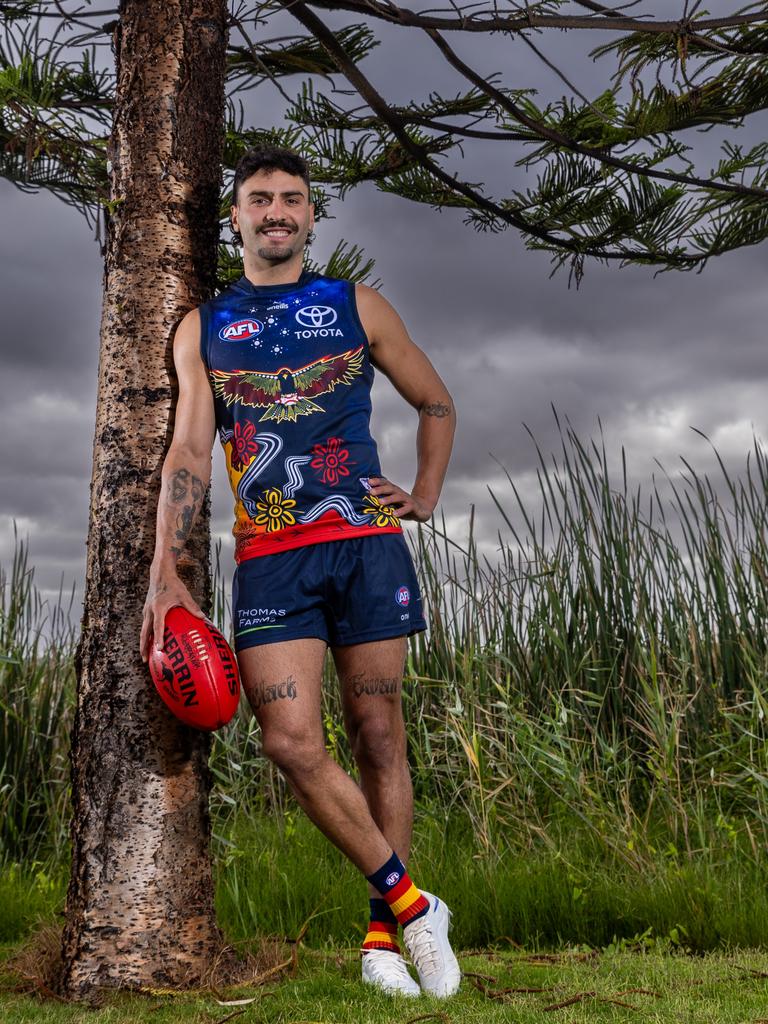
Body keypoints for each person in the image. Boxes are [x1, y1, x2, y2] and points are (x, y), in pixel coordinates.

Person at [140, 145, 459, 998]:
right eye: (258, 199)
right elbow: (190, 451)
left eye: (291, 199)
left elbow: (436, 401)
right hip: (270, 555)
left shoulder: (356, 305)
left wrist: (424, 494)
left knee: (378, 736)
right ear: (235, 216)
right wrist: (168, 572)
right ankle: (416, 903)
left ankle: (383, 939)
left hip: (365, 543)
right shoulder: (205, 326)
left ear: (311, 217)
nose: (275, 211)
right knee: (288, 740)